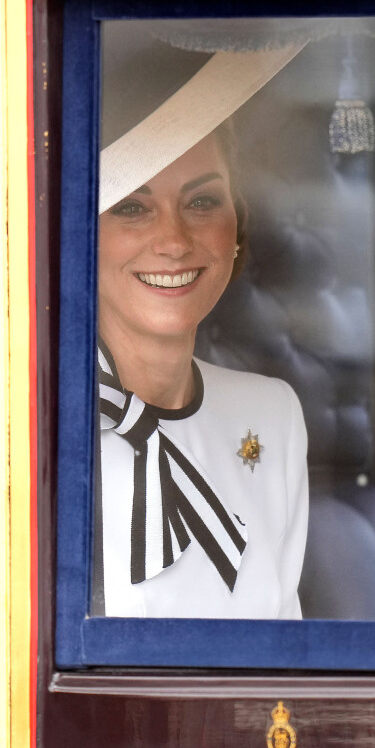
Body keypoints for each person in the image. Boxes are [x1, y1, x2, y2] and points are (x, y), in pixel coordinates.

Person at [93, 40, 309, 619]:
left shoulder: (272, 417)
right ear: (78, 235)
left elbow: (285, 662)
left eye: (202, 201)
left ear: (236, 223)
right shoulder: (28, 431)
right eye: (131, 207)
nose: (174, 241)